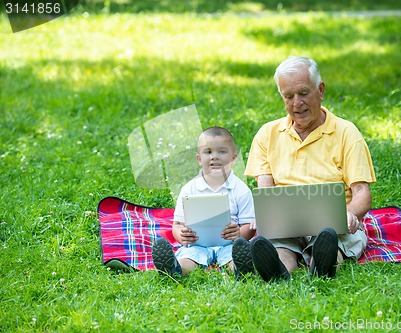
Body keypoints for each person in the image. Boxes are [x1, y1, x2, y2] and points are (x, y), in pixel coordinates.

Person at [233, 56, 376, 282]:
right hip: (287, 222)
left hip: (332, 223)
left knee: (330, 239)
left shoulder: (347, 133)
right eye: (288, 96)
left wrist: (349, 214)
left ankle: (323, 264)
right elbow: (266, 191)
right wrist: (265, 217)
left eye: (303, 93)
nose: (296, 103)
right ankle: (279, 271)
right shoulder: (267, 134)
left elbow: (362, 193)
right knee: (279, 245)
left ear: (320, 90)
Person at [152, 126, 255, 278]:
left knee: (234, 258)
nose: (215, 157)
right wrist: (181, 235)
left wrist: (239, 233)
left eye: (222, 151)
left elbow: (250, 226)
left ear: (234, 158)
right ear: (199, 159)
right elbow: (177, 224)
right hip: (197, 244)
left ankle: (242, 270)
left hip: (229, 244)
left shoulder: (241, 189)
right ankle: (174, 269)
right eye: (208, 152)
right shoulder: (189, 189)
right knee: (189, 258)